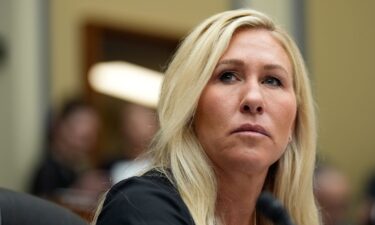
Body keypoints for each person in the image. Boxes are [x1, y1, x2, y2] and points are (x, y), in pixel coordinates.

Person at [94, 8, 320, 225]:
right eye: (228, 76)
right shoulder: (140, 207)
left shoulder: (282, 217)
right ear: (190, 108)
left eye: (272, 80)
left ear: (294, 123)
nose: (253, 99)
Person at [31, 98, 109, 199]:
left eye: (95, 132)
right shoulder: (48, 173)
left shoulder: (77, 169)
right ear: (60, 127)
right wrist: (78, 189)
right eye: (84, 138)